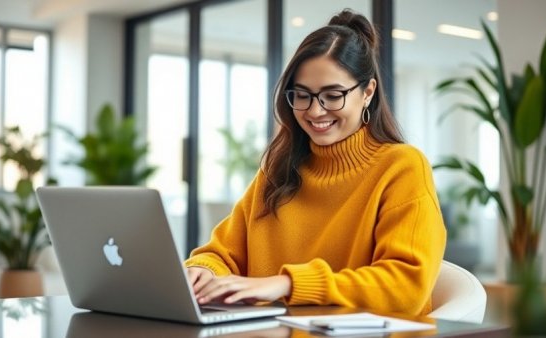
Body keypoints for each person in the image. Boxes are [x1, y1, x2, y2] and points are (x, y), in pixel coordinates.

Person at [185, 8, 446, 316]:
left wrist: (287, 284)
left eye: (332, 95)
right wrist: (203, 270)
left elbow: (406, 287)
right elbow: (223, 253)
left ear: (368, 92)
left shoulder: (401, 167)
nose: (315, 111)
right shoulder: (277, 170)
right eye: (302, 95)